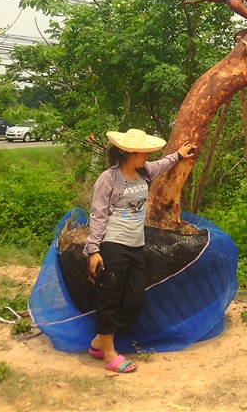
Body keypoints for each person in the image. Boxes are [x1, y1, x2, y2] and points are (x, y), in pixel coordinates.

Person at [83, 128, 196, 374]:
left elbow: (163, 164)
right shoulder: (109, 179)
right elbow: (98, 214)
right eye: (142, 152)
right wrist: (93, 250)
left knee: (135, 299)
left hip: (137, 245)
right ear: (127, 153)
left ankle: (98, 343)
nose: (147, 155)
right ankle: (109, 354)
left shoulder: (144, 172)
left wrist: (179, 154)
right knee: (109, 297)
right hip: (114, 244)